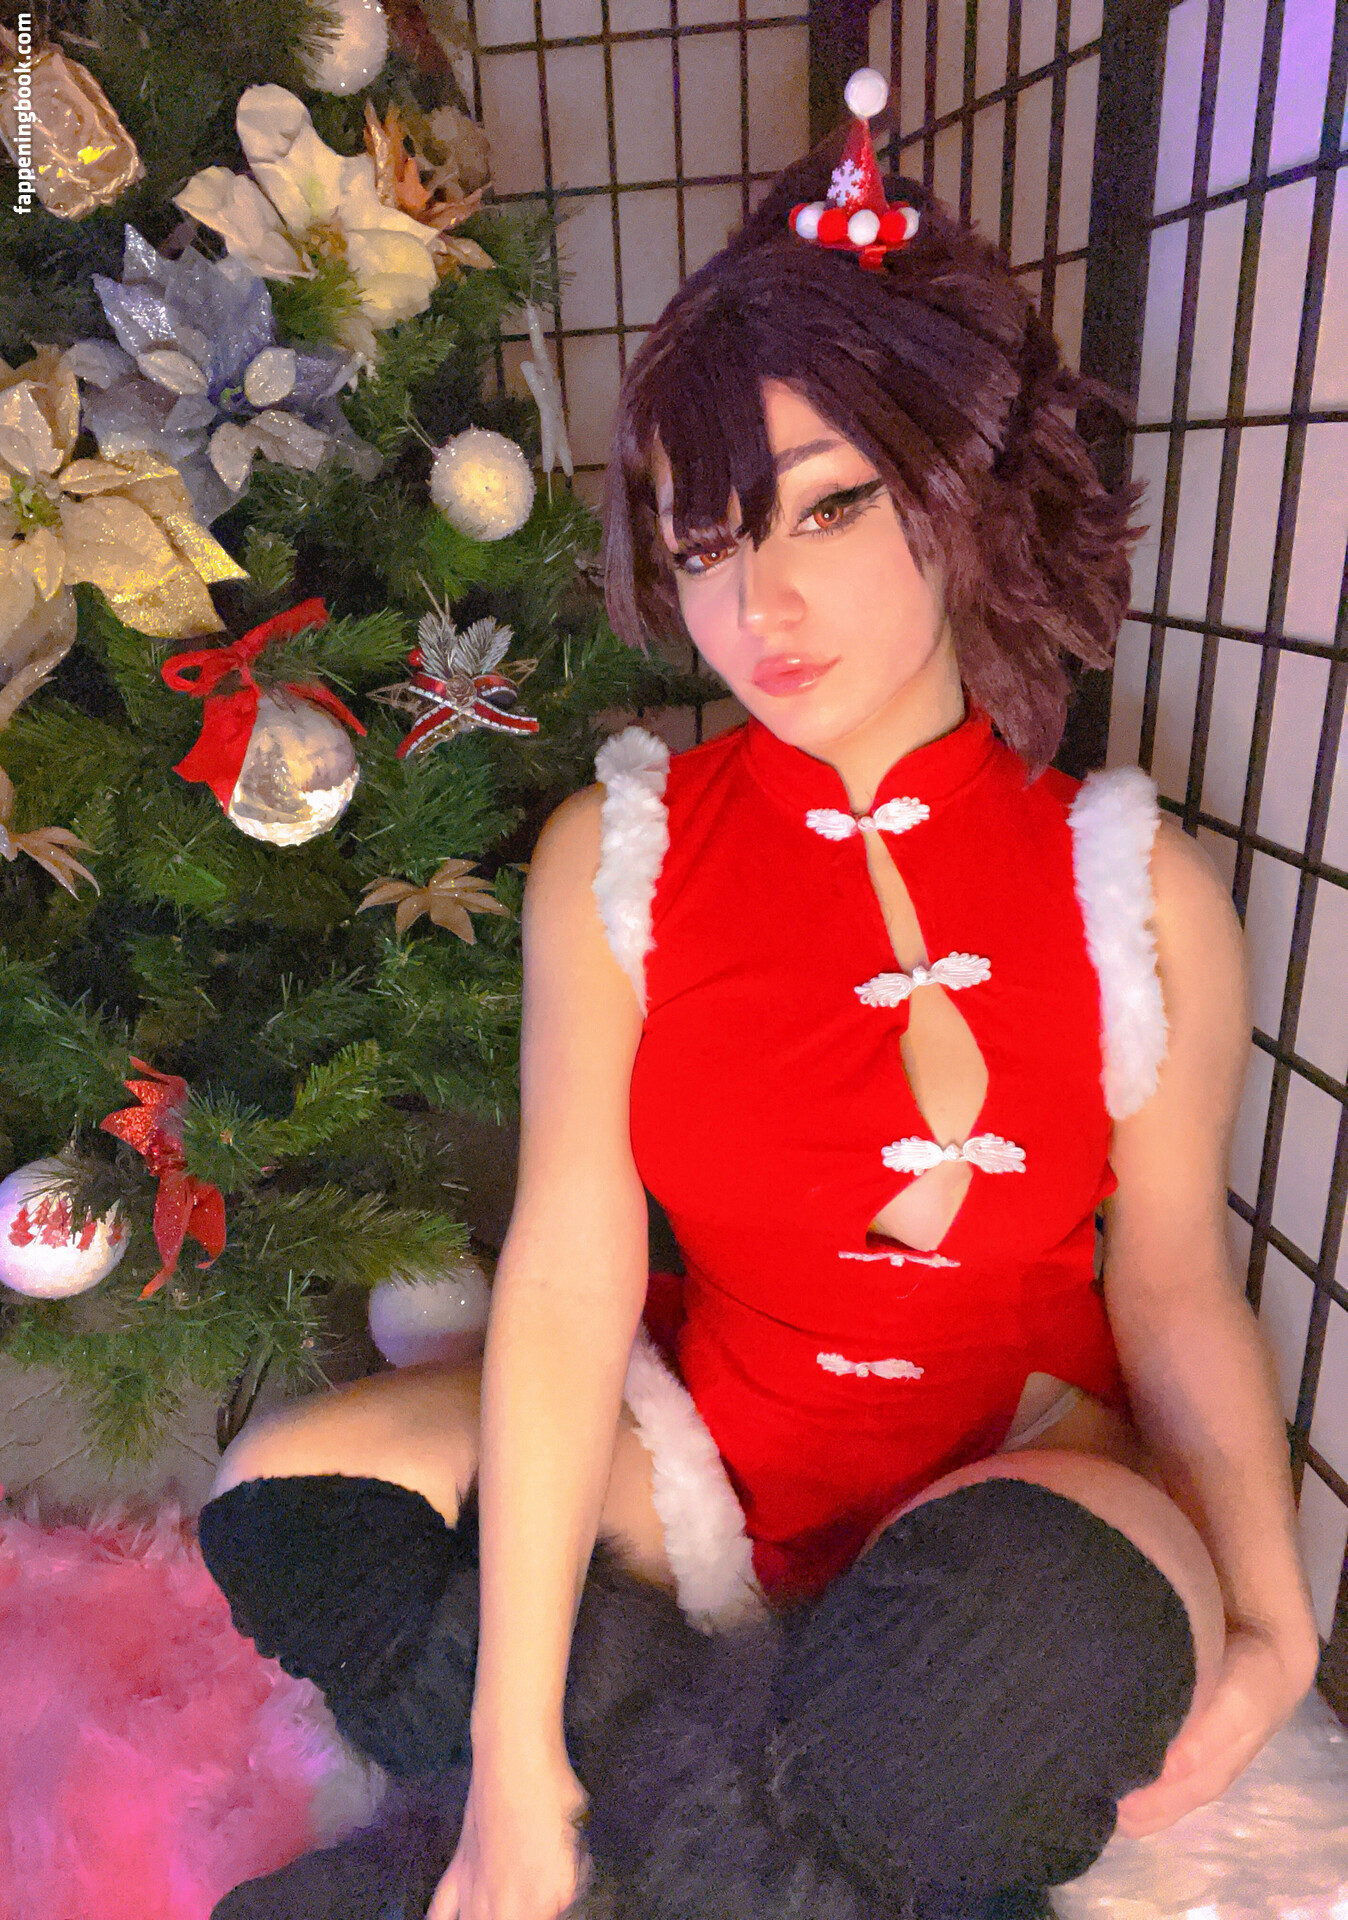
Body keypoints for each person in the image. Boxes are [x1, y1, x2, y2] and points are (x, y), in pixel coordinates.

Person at [196, 78, 1321, 1920]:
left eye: (828, 508)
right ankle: (711, 1797)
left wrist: (1275, 1620)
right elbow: (569, 1274)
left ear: (958, 490)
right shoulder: (619, 856)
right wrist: (514, 1764)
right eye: (707, 542)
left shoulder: (1138, 887)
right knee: (288, 1505)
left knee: (1010, 1667)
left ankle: (708, 1780)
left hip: (1024, 1477)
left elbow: (1176, 1281)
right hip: (706, 1457)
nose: (758, 607)